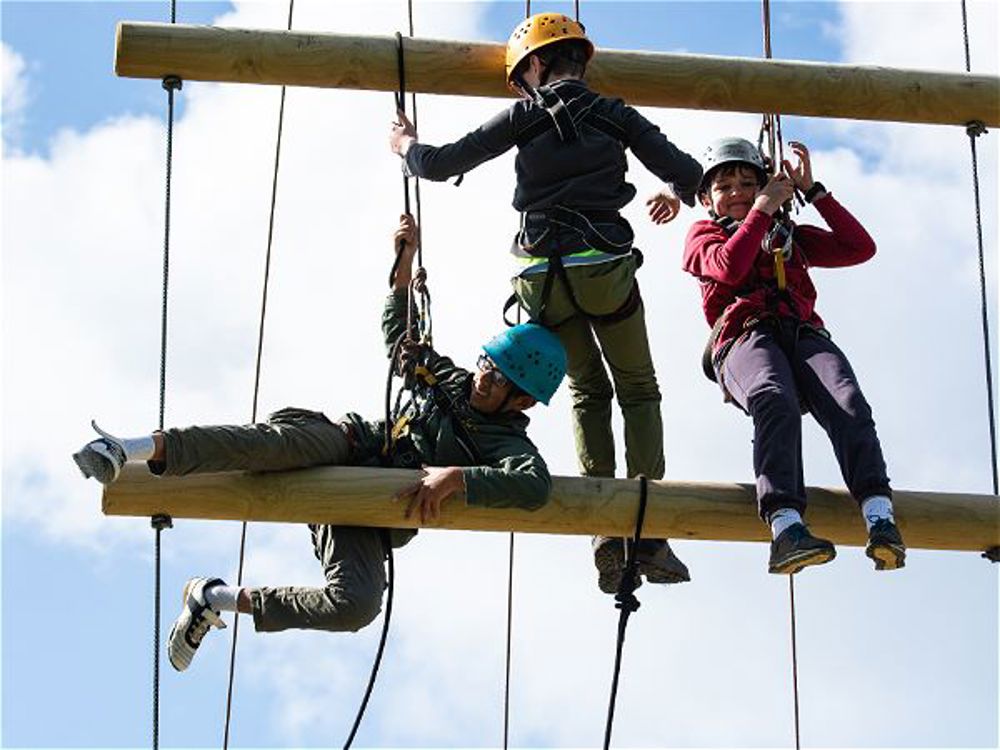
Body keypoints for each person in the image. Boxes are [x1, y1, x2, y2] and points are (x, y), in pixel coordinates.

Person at [72, 214, 568, 671]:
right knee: (269, 447)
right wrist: (402, 267)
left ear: (521, 402)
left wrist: (456, 478)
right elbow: (401, 336)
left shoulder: (505, 443)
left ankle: (214, 599)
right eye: (489, 365)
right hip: (348, 445)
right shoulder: (448, 378)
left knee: (357, 606)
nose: (486, 379)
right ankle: (129, 447)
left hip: (369, 511)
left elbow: (534, 487)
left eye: (501, 380)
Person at [389, 12, 703, 594]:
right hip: (601, 264)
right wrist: (675, 194)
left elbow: (438, 164)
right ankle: (645, 522)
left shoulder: (524, 116)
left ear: (535, 65)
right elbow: (691, 175)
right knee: (637, 387)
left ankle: (606, 532)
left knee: (588, 391)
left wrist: (405, 145)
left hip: (540, 273)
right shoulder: (614, 114)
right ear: (577, 61)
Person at [678, 137, 906, 574]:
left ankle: (879, 516)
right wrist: (763, 209)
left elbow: (859, 248)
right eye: (726, 187)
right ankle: (785, 526)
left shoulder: (789, 236)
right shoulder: (703, 235)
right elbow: (729, 267)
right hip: (745, 338)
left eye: (749, 182)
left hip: (801, 333)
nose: (740, 193)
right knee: (772, 399)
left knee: (848, 402)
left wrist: (815, 193)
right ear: (707, 199)